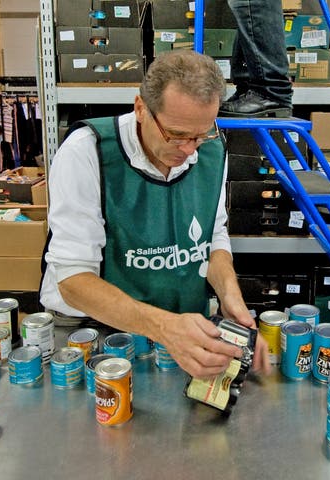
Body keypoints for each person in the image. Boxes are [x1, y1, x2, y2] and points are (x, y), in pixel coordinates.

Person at [40, 50, 269, 379]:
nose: (190, 150)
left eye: (201, 135)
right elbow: (73, 281)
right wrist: (164, 327)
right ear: (140, 109)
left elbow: (213, 235)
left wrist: (230, 296)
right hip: (93, 331)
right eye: (176, 135)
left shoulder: (212, 150)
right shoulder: (86, 151)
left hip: (179, 325)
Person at [218, 0, 293, 117]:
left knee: (252, 3)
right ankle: (249, 88)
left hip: (270, 90)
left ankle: (270, 92)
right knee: (247, 8)